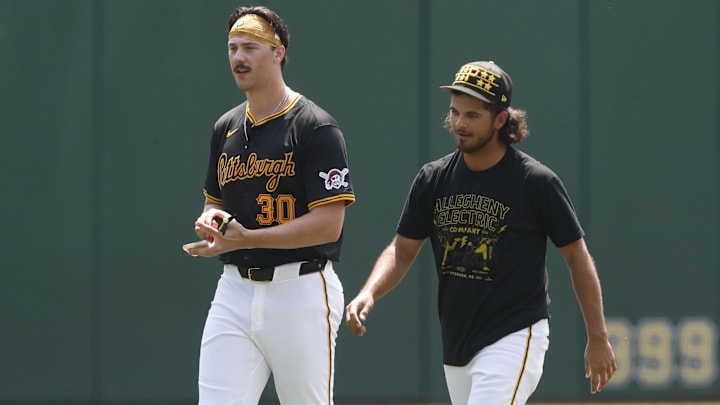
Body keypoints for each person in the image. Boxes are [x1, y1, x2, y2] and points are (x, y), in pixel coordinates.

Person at [345, 60, 616, 404]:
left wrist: (597, 336)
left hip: (515, 334)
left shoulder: (535, 182)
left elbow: (577, 258)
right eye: (455, 112)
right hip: (458, 342)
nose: (459, 123)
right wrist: (370, 292)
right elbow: (401, 249)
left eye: (472, 115)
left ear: (501, 120)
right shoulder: (433, 178)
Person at [184, 6, 355, 405]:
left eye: (249, 47)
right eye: (232, 48)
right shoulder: (225, 127)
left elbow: (329, 225)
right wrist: (212, 224)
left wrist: (247, 238)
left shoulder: (315, 127)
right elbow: (214, 203)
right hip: (234, 290)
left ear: (278, 52)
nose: (238, 58)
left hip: (301, 288)